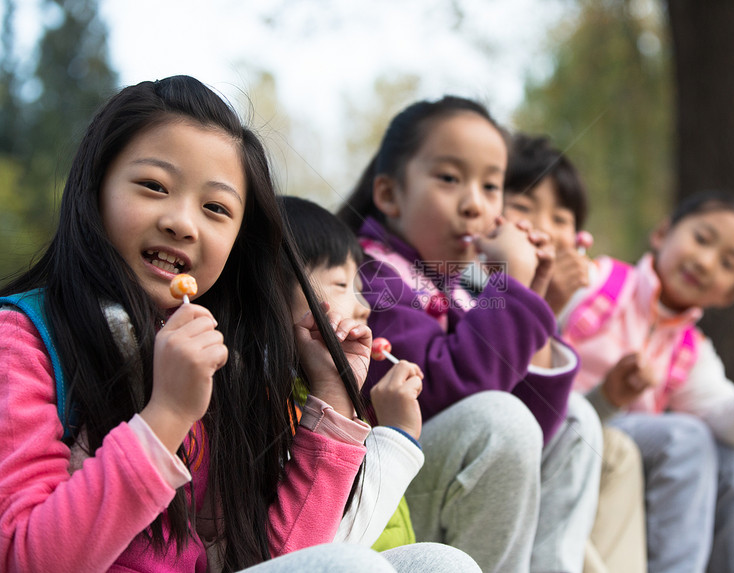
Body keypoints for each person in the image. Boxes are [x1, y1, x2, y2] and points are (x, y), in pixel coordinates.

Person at [0, 75, 478, 573]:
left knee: (440, 563)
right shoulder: (24, 341)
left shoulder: (226, 357)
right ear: (94, 187)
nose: (183, 222)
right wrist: (166, 415)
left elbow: (286, 560)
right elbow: (26, 557)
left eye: (215, 208)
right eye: (153, 186)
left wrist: (333, 396)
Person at [337, 95, 603, 573]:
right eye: (449, 178)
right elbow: (444, 393)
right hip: (376, 503)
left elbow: (533, 427)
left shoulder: (448, 284)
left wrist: (532, 291)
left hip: (428, 477)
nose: (474, 203)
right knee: (499, 419)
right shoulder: (368, 276)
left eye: (491, 186)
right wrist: (515, 287)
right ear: (389, 194)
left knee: (577, 420)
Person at [557, 190, 734, 572]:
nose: (704, 261)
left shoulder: (690, 351)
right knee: (688, 437)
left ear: (730, 294)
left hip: (628, 452)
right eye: (701, 239)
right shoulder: (596, 282)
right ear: (662, 233)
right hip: (569, 429)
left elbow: (733, 425)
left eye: (727, 263)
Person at [502, 132, 647, 573]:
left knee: (617, 449)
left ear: (578, 236)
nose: (544, 228)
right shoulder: (472, 284)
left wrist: (610, 397)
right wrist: (543, 306)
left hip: (541, 452)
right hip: (497, 461)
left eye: (561, 218)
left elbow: (555, 416)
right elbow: (515, 409)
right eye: (524, 208)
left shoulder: (579, 307)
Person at [279, 195, 424, 550]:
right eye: (342, 285)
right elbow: (318, 546)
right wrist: (397, 435)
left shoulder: (323, 395)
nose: (364, 307)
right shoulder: (273, 414)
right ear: (271, 292)